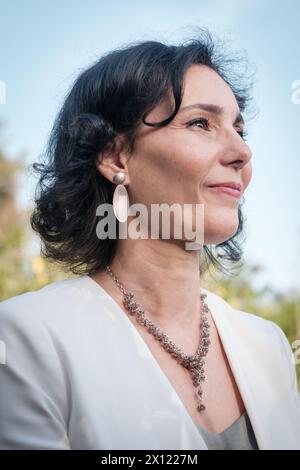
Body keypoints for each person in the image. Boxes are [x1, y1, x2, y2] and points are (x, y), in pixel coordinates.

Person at [0, 30, 299, 450]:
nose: (241, 153)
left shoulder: (269, 347)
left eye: (239, 129)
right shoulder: (25, 339)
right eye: (201, 123)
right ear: (116, 157)